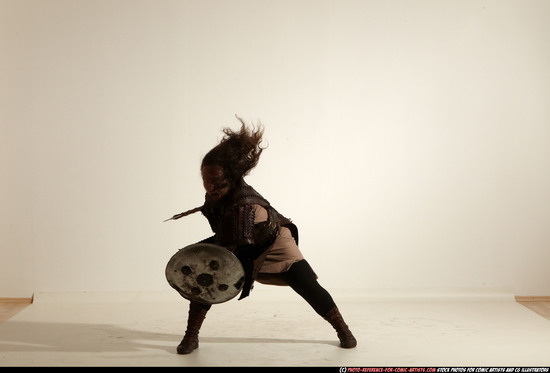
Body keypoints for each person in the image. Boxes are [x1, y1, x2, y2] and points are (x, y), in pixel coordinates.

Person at [176, 117, 357, 354]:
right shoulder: (216, 197)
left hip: (275, 244)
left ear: (230, 178)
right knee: (205, 271)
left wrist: (198, 254)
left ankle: (343, 329)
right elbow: (226, 237)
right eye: (206, 180)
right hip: (241, 242)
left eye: (216, 181)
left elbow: (235, 246)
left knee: (308, 287)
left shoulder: (244, 207)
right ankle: (191, 336)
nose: (210, 186)